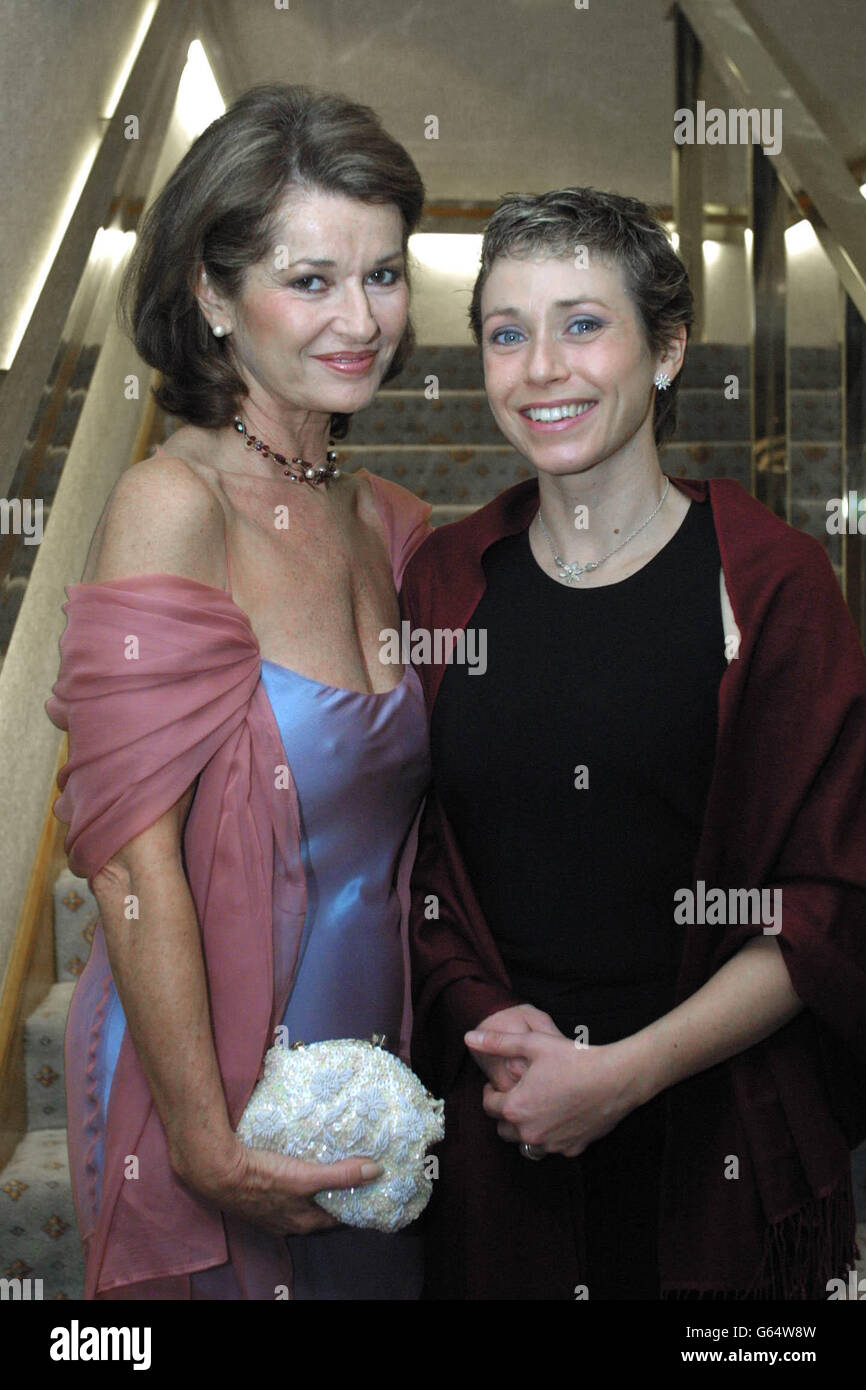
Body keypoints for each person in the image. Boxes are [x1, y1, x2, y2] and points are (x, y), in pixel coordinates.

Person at [402, 187, 866, 1300]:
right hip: (501, 1113)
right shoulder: (446, 576)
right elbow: (422, 857)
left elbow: (826, 897)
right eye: (505, 334)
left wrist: (618, 1076)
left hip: (712, 1122)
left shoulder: (769, 583)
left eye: (581, 323)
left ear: (664, 349)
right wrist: (483, 1019)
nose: (540, 367)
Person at [45, 84, 432, 1300]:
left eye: (382, 275)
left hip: (378, 1065)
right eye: (308, 279)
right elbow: (123, 858)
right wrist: (206, 1140)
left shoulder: (389, 519)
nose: (358, 319)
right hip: (207, 1075)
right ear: (213, 295)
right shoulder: (176, 504)